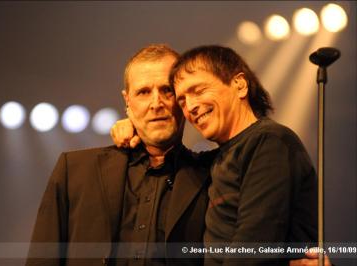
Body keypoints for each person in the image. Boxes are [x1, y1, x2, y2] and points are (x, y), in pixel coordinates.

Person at [111, 45, 331, 266]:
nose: (191, 106)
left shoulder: (269, 142)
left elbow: (252, 251)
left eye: (198, 91)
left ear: (240, 85)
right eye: (182, 100)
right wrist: (135, 125)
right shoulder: (218, 159)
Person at [25, 44, 211, 266]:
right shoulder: (75, 169)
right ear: (127, 101)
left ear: (183, 99)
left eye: (167, 90)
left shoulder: (212, 175)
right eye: (143, 92)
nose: (156, 103)